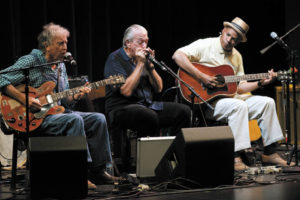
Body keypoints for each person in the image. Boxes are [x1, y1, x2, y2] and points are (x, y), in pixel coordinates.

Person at [0, 23, 120, 188]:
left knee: (98, 119)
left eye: (66, 43)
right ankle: (79, 174)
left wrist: (75, 96)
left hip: (54, 114)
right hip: (32, 118)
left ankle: (98, 171)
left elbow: (63, 102)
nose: (65, 47)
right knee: (74, 119)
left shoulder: (61, 66)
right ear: (47, 45)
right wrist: (25, 99)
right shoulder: (31, 61)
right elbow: (2, 78)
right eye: (60, 43)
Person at [172, 17, 294, 171]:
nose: (229, 40)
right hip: (206, 102)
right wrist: (202, 77)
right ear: (222, 31)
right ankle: (235, 156)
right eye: (228, 35)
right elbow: (177, 55)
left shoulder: (237, 56)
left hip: (230, 100)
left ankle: (270, 152)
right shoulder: (205, 44)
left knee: (267, 102)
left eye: (234, 39)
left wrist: (260, 83)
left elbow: (240, 87)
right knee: (239, 105)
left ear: (238, 42)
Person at [104, 24, 191, 139]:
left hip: (147, 105)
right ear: (127, 43)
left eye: (146, 42)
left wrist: (150, 66)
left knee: (184, 112)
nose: (144, 46)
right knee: (149, 116)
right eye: (140, 42)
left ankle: (174, 152)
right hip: (122, 109)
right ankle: (151, 156)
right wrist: (140, 64)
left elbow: (159, 88)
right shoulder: (115, 59)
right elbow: (126, 91)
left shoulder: (143, 59)